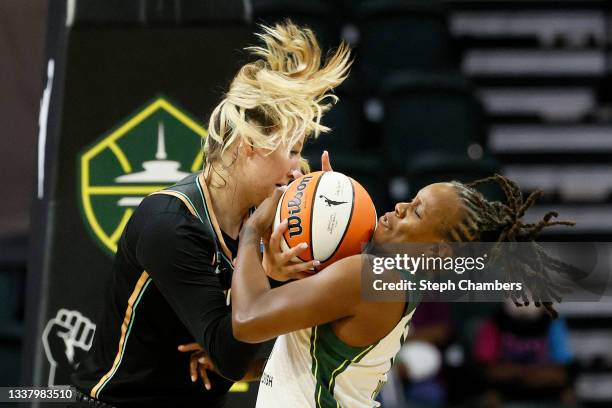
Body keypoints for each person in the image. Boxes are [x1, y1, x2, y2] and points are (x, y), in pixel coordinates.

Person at [72, 21, 351, 407]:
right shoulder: (171, 224)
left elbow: (303, 330)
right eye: (292, 150)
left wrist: (328, 226)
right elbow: (232, 358)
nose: (298, 168)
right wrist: (264, 274)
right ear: (251, 144)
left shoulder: (269, 219)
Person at [228, 174, 576, 408]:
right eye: (411, 200)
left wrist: (252, 232)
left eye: (416, 212)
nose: (400, 207)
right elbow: (318, 359)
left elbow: (246, 319)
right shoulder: (393, 285)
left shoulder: (371, 275)